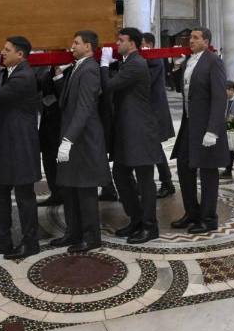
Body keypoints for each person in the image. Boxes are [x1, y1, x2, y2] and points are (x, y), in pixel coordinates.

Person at [0, 36, 42, 259]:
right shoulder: (14, 72)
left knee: (25, 196)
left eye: (7, 50)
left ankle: (30, 242)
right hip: (10, 145)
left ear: (20, 54)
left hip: (21, 146)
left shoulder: (23, 76)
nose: (2, 53)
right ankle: (3, 240)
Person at [50, 31, 113, 253]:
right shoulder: (78, 67)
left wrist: (68, 139)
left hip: (83, 140)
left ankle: (91, 237)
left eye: (76, 43)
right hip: (73, 137)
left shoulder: (90, 69)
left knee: (85, 191)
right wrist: (58, 78)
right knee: (69, 188)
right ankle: (73, 232)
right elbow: (68, 102)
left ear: (89, 47)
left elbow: (85, 108)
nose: (71, 46)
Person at [104, 28, 166, 244]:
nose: (116, 43)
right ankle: (136, 218)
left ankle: (150, 226)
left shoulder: (136, 63)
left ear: (132, 43)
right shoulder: (127, 62)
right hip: (127, 130)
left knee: (145, 181)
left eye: (120, 40)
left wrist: (103, 65)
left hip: (140, 131)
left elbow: (109, 85)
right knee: (121, 175)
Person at [171, 26, 229, 234]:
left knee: (207, 171)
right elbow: (182, 89)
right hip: (189, 124)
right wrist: (177, 70)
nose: (191, 41)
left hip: (206, 126)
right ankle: (192, 213)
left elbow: (219, 97)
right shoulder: (188, 60)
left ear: (206, 41)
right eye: (190, 38)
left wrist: (213, 130)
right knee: (184, 167)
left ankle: (208, 218)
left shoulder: (213, 61)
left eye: (195, 38)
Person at [142, 32, 177, 198]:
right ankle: (163, 182)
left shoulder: (154, 59)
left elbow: (146, 81)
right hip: (149, 111)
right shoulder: (149, 58)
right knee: (152, 148)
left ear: (149, 44)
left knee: (155, 148)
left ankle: (167, 182)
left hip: (155, 112)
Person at [36, 64, 65, 206]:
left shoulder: (71, 69)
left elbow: (67, 96)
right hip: (48, 122)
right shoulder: (46, 71)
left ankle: (64, 193)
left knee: (62, 162)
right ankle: (56, 192)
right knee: (48, 160)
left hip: (62, 124)